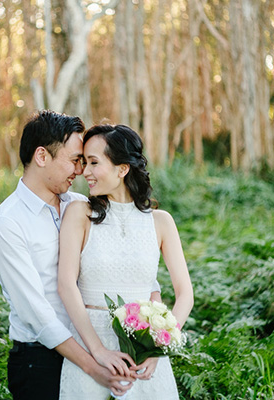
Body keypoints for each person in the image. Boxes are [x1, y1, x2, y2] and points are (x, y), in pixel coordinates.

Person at [0, 111, 136, 400]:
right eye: (74, 160)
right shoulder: (7, 224)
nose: (80, 170)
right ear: (42, 157)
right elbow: (36, 315)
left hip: (96, 347)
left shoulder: (79, 206)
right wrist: (94, 366)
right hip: (40, 362)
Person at [58, 124, 194, 399]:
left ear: (122, 169)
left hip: (145, 354)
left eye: (94, 163)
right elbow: (66, 284)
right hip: (90, 345)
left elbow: (185, 294)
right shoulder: (79, 214)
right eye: (84, 162)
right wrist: (97, 351)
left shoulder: (161, 222)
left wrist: (158, 349)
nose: (85, 172)